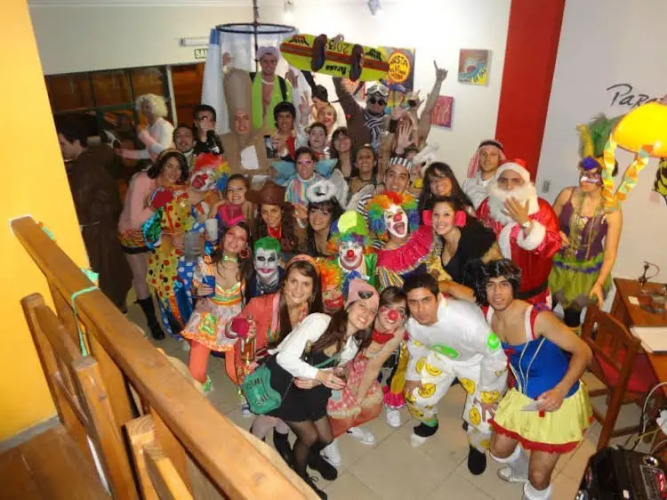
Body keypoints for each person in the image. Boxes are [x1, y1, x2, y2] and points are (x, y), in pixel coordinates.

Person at [471, 259, 592, 500]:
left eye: (504, 284)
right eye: (490, 285)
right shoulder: (488, 313)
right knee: (498, 449)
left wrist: (560, 390)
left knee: (538, 476)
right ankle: (519, 470)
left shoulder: (538, 318)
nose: (497, 292)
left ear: (514, 286)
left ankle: (535, 494)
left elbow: (584, 352)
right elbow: (458, 291)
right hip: (522, 395)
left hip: (558, 399)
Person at [264, 279, 379, 498]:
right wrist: (318, 376)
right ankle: (299, 477)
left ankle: (310, 457)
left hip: (311, 387)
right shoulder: (320, 322)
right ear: (348, 306)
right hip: (284, 383)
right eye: (362, 306)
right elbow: (284, 358)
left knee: (326, 438)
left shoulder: (352, 345)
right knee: (309, 437)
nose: (366, 313)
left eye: (372, 311)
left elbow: (333, 369)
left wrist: (321, 379)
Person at [403, 273, 507, 475]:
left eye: (426, 300)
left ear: (438, 297)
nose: (420, 309)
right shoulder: (412, 321)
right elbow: (417, 345)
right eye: (413, 303)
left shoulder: (468, 323)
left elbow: (496, 358)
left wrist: (487, 393)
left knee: (484, 418)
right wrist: (413, 374)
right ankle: (429, 424)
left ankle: (477, 448)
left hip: (476, 363)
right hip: (441, 356)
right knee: (414, 394)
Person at [228, 255, 322, 461]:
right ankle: (256, 441)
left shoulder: (311, 312)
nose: (298, 289)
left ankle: (281, 439)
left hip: (288, 366)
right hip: (257, 367)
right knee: (271, 415)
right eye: (293, 281)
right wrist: (241, 328)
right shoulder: (260, 304)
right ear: (284, 281)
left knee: (296, 405)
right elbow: (230, 328)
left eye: (305, 284)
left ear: (313, 289)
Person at [323, 286, 407, 467]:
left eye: (400, 311)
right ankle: (329, 439)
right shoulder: (364, 321)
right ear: (378, 309)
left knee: (372, 408)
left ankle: (349, 427)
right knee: (342, 416)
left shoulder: (397, 332)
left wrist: (358, 400)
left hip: (360, 368)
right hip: (336, 368)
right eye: (387, 307)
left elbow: (374, 367)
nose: (393, 315)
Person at [145, 152, 226, 336]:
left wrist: (195, 240)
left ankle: (196, 333)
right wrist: (167, 238)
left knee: (195, 297)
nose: (204, 177)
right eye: (203, 171)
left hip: (193, 261)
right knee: (173, 301)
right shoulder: (164, 194)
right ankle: (182, 334)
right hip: (167, 262)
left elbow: (212, 240)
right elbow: (148, 232)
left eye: (211, 176)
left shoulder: (209, 200)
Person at [56, 119, 132, 311]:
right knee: (112, 272)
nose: (60, 148)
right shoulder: (91, 161)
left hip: (98, 232)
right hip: (105, 228)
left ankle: (114, 315)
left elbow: (78, 202)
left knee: (105, 277)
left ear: (76, 141)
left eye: (62, 143)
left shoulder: (86, 167)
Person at [118, 149, 188, 339]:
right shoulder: (143, 180)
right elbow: (134, 221)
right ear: (161, 165)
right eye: (169, 166)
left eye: (178, 168)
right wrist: (155, 205)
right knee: (141, 277)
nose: (174, 172)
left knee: (159, 275)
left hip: (156, 235)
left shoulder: (175, 185)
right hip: (132, 234)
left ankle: (168, 317)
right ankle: (152, 322)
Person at [549, 158, 622, 330]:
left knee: (572, 316)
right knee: (543, 308)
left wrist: (599, 283)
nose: (584, 179)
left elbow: (610, 254)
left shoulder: (612, 210)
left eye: (592, 176)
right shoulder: (567, 194)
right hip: (556, 264)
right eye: (583, 173)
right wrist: (556, 233)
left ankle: (567, 345)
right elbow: (548, 222)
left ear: (605, 180)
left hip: (585, 272)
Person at [477, 161, 561, 305]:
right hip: (493, 291)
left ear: (525, 183)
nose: (509, 186)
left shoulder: (541, 209)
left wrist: (526, 223)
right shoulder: (488, 205)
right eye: (503, 180)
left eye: (515, 181)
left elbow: (552, 246)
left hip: (529, 297)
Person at [181, 221, 252, 390]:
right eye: (231, 234)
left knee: (236, 373)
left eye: (241, 238)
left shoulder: (249, 269)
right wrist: (198, 292)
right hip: (209, 317)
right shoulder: (206, 263)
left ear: (245, 245)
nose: (234, 241)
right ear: (223, 236)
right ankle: (204, 387)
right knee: (195, 373)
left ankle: (248, 393)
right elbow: (193, 290)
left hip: (235, 321)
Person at [430, 196, 502, 299]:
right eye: (436, 215)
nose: (440, 220)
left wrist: (449, 287)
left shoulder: (475, 239)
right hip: (466, 300)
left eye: (446, 215)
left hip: (491, 301)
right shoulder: (440, 242)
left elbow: (496, 285)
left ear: (457, 217)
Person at [219, 68, 270, 183]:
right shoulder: (224, 142)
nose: (241, 124)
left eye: (245, 118)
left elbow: (276, 168)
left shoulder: (267, 137)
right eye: (237, 119)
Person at [333, 78, 389, 152]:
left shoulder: (390, 121)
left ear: (385, 104)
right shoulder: (356, 112)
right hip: (355, 157)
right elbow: (342, 92)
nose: (376, 104)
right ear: (367, 100)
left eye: (380, 102)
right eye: (372, 100)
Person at [247, 182, 300, 259]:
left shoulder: (295, 227)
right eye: (264, 212)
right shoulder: (256, 230)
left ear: (282, 210)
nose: (269, 216)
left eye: (274, 211)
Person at [118, 94, 174, 162]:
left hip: (170, 165)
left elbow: (164, 152)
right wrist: (125, 153)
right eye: (142, 107)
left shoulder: (164, 126)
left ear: (156, 107)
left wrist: (143, 136)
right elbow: (149, 153)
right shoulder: (148, 127)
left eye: (147, 107)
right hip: (159, 165)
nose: (144, 110)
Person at [250, 46, 293, 132]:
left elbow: (290, 114)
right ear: (260, 63)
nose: (269, 65)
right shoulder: (250, 80)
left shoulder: (284, 86)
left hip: (276, 135)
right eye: (265, 61)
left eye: (272, 61)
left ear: (276, 63)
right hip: (252, 134)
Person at [463, 139, 506, 210]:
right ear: (478, 157)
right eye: (484, 154)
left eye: (493, 155)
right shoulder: (468, 183)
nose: (487, 159)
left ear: (499, 158)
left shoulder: (503, 185)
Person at [305, 179, 344, 257]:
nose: (317, 218)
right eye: (313, 211)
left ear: (333, 216)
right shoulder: (308, 233)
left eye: (324, 213)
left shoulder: (340, 240)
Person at [246, 236, 284, 301]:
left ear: (278, 262)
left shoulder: (287, 281)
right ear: (254, 262)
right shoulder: (247, 282)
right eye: (261, 259)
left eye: (271, 259)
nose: (266, 264)